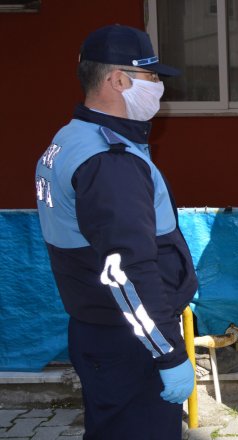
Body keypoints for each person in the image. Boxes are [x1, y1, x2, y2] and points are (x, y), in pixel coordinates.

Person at [34, 24, 197, 439]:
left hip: (104, 330)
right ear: (119, 80)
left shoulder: (71, 137)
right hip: (129, 341)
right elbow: (127, 269)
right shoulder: (110, 161)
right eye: (152, 77)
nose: (159, 87)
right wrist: (168, 353)